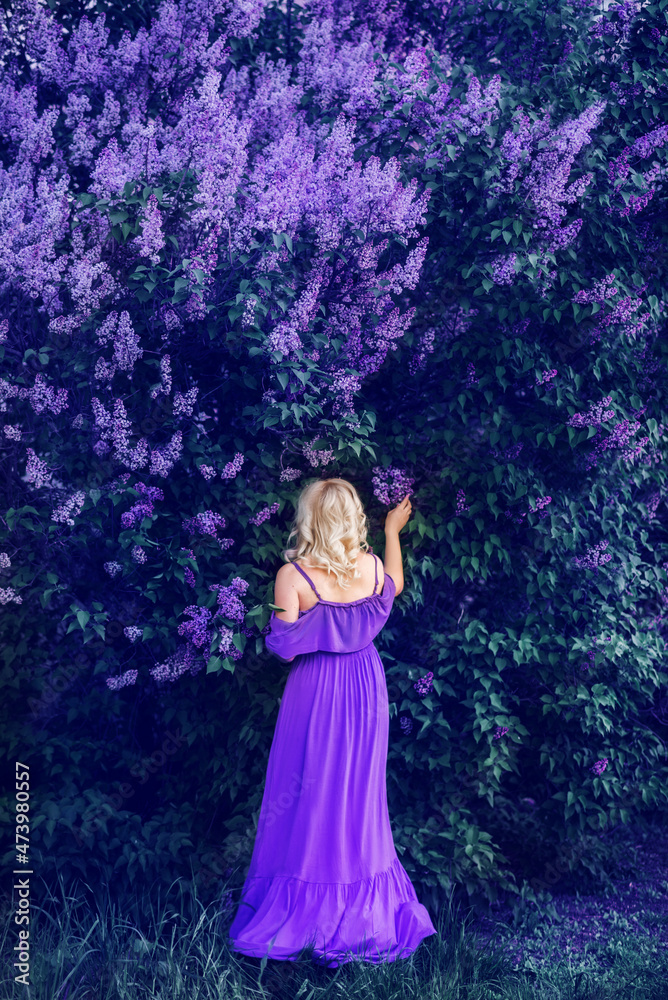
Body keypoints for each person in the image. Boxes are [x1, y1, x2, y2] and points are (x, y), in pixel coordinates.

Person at [227, 477, 437, 968]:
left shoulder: (292, 576)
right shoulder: (370, 566)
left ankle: (306, 913)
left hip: (316, 692)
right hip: (365, 687)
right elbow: (395, 587)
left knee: (308, 796)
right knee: (358, 796)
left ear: (309, 519)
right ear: (352, 519)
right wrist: (392, 531)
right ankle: (359, 913)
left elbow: (282, 646)